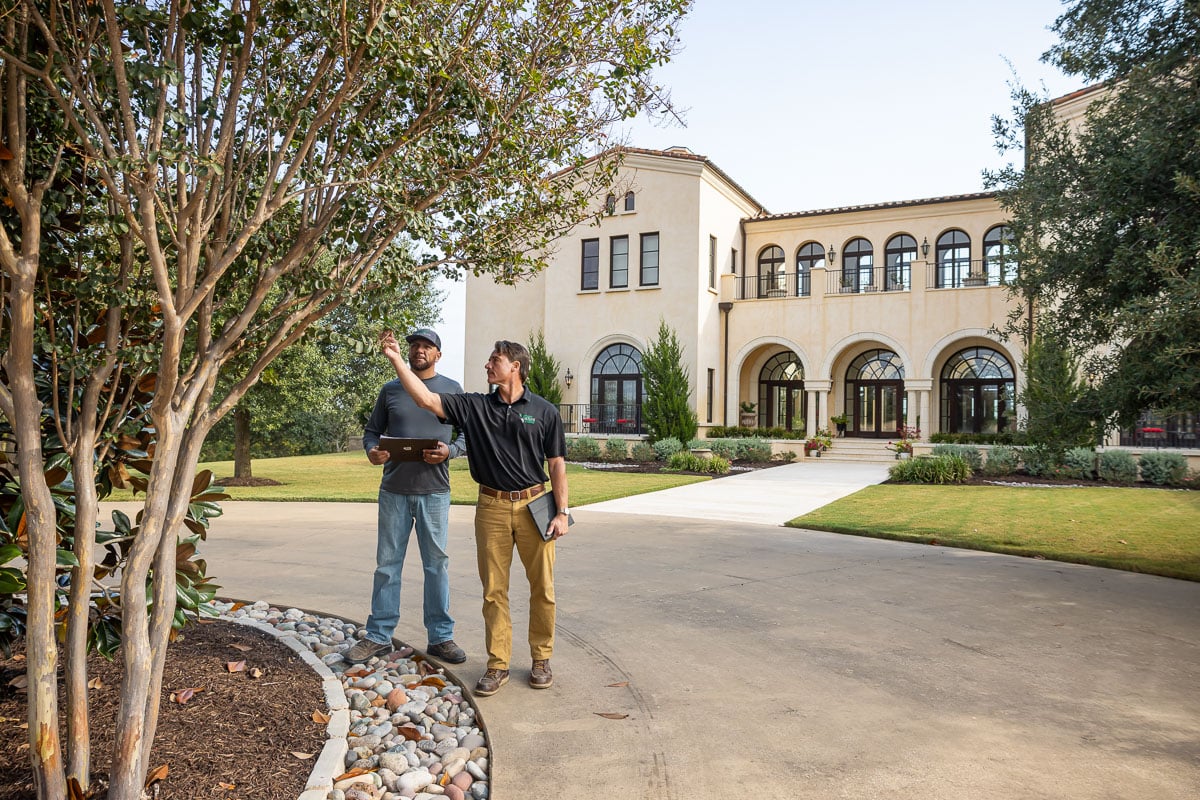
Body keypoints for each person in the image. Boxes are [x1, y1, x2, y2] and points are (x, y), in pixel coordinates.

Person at [380, 333, 569, 697]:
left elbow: (557, 464)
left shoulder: (545, 411)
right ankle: (497, 664)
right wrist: (395, 359)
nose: (487, 364)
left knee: (543, 588)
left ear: (515, 366)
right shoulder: (475, 407)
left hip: (535, 506)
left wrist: (561, 512)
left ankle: (541, 659)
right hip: (492, 508)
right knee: (494, 591)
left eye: (494, 360)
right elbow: (425, 398)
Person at [345, 328, 468, 666]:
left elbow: (468, 435)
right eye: (414, 345)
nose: (419, 350)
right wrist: (372, 451)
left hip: (435, 492)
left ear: (438, 354)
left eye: (427, 346)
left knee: (437, 566)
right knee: (387, 566)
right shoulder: (390, 390)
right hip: (394, 491)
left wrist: (450, 451)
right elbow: (372, 432)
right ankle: (378, 635)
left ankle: (440, 637)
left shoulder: (452, 390)